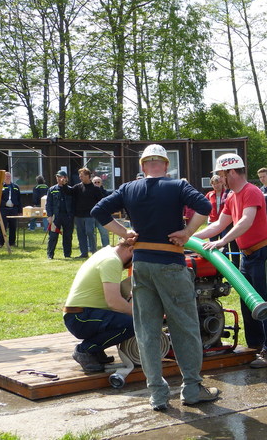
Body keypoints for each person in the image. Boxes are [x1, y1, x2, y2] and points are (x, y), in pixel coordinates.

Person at [92, 143, 218, 410]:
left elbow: (98, 211)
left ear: (143, 165)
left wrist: (124, 233)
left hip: (142, 266)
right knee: (184, 328)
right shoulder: (178, 186)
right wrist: (187, 233)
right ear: (166, 165)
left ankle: (157, 395)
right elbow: (205, 205)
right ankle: (192, 389)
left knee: (147, 331)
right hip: (171, 264)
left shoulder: (129, 188)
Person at [195, 154, 267, 369]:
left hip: (263, 252)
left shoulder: (251, 191)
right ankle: (255, 346)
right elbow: (218, 225)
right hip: (248, 254)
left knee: (263, 301)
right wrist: (189, 237)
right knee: (247, 300)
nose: (220, 179)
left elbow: (246, 220)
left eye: (221, 175)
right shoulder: (231, 196)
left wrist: (222, 241)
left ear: (232, 172)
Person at [64, 240, 134, 373]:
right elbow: (114, 302)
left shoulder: (106, 252)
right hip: (80, 317)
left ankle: (96, 351)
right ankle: (85, 350)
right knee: (132, 324)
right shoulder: (112, 261)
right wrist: (140, 314)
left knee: (123, 319)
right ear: (131, 249)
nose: (133, 264)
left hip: (79, 315)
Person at [73, 167, 104, 259]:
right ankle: (84, 253)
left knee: (90, 232)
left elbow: (101, 201)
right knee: (80, 234)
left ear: (88, 176)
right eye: (79, 176)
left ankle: (94, 251)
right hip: (78, 215)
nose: (80, 178)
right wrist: (63, 184)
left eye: (82, 176)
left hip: (90, 215)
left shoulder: (95, 189)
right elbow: (68, 191)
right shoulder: (78, 187)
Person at [46, 170, 74, 260]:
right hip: (56, 216)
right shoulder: (52, 189)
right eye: (58, 177)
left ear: (66, 178)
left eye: (61, 177)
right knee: (53, 236)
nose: (59, 179)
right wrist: (49, 216)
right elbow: (48, 204)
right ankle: (50, 255)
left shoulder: (70, 189)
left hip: (67, 216)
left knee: (68, 236)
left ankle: (67, 254)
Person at [0, 172, 22, 248]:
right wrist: (4, 203)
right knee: (2, 226)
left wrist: (20, 210)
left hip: (13, 209)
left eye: (9, 176)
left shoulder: (15, 187)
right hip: (3, 209)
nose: (8, 177)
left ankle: (12, 242)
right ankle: (1, 243)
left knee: (13, 226)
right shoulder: (0, 186)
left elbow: (19, 199)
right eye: (6, 176)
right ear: (3, 177)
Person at [92, 176, 110, 247]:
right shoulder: (89, 192)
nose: (96, 184)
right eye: (95, 182)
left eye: (98, 182)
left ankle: (106, 247)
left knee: (104, 232)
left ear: (101, 183)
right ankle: (92, 248)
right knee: (92, 233)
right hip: (91, 215)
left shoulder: (105, 193)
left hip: (102, 215)